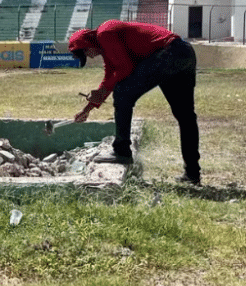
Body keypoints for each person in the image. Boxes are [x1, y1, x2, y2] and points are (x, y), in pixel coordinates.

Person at [68, 19, 201, 185]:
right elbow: (111, 75)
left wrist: (102, 92)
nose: (90, 56)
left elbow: (124, 68)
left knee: (123, 93)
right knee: (185, 116)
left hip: (169, 53)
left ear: (87, 43)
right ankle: (192, 174)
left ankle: (121, 150)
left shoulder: (105, 33)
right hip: (184, 53)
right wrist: (88, 108)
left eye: (86, 52)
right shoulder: (106, 43)